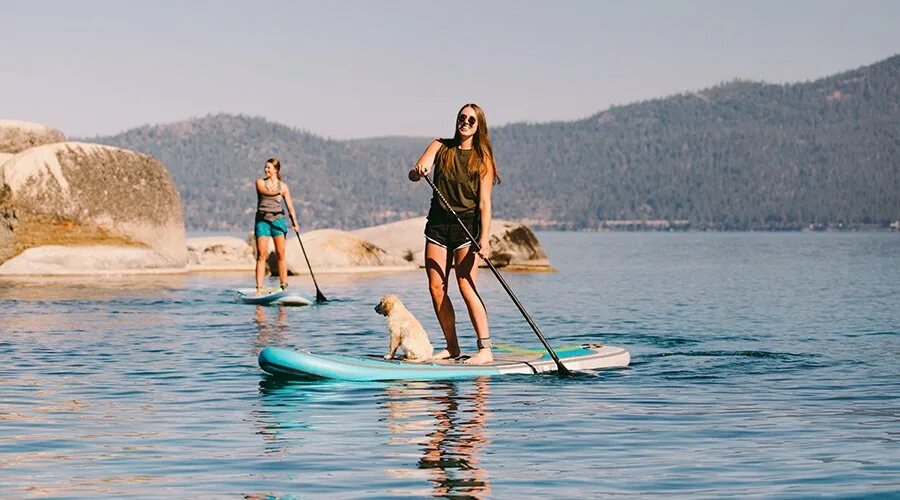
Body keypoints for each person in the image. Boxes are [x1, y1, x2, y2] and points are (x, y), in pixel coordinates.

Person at [409, 103, 500, 365]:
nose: (466, 123)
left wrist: (484, 239)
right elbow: (415, 173)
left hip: (466, 227)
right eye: (462, 118)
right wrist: (418, 172)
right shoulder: (440, 146)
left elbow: (485, 204)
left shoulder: (482, 159)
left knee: (465, 284)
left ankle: (485, 349)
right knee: (436, 287)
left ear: (478, 126)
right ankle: (453, 347)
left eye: (471, 120)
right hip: (438, 225)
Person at [254, 158, 299, 294]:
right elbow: (265, 192)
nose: (266, 170)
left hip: (278, 221)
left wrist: (295, 222)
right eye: (265, 167)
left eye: (269, 168)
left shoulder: (284, 187)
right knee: (262, 255)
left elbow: (290, 206)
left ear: (276, 170)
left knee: (281, 254)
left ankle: (283, 284)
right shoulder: (260, 182)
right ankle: (259, 287)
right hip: (263, 221)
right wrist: (278, 192)